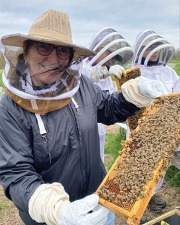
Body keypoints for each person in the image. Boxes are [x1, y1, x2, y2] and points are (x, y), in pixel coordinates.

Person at [0, 10, 167, 225]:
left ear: (71, 57)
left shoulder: (80, 86)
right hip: (51, 219)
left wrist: (135, 94)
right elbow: (16, 173)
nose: (53, 58)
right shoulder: (9, 109)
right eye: (43, 47)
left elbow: (108, 108)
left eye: (62, 51)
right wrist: (56, 209)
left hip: (98, 204)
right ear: (26, 49)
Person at [132, 30, 179, 213]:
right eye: (149, 47)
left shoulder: (169, 71)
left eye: (156, 47)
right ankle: (136, 206)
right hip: (143, 128)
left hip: (166, 129)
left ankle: (150, 196)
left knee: (160, 166)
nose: (154, 51)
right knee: (139, 167)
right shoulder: (135, 73)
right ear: (140, 50)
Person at [82, 27, 133, 161]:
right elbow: (81, 76)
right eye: (109, 54)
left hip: (99, 131)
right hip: (79, 132)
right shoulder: (80, 65)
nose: (111, 60)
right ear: (98, 50)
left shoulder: (107, 77)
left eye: (114, 57)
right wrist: (103, 71)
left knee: (98, 165)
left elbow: (111, 101)